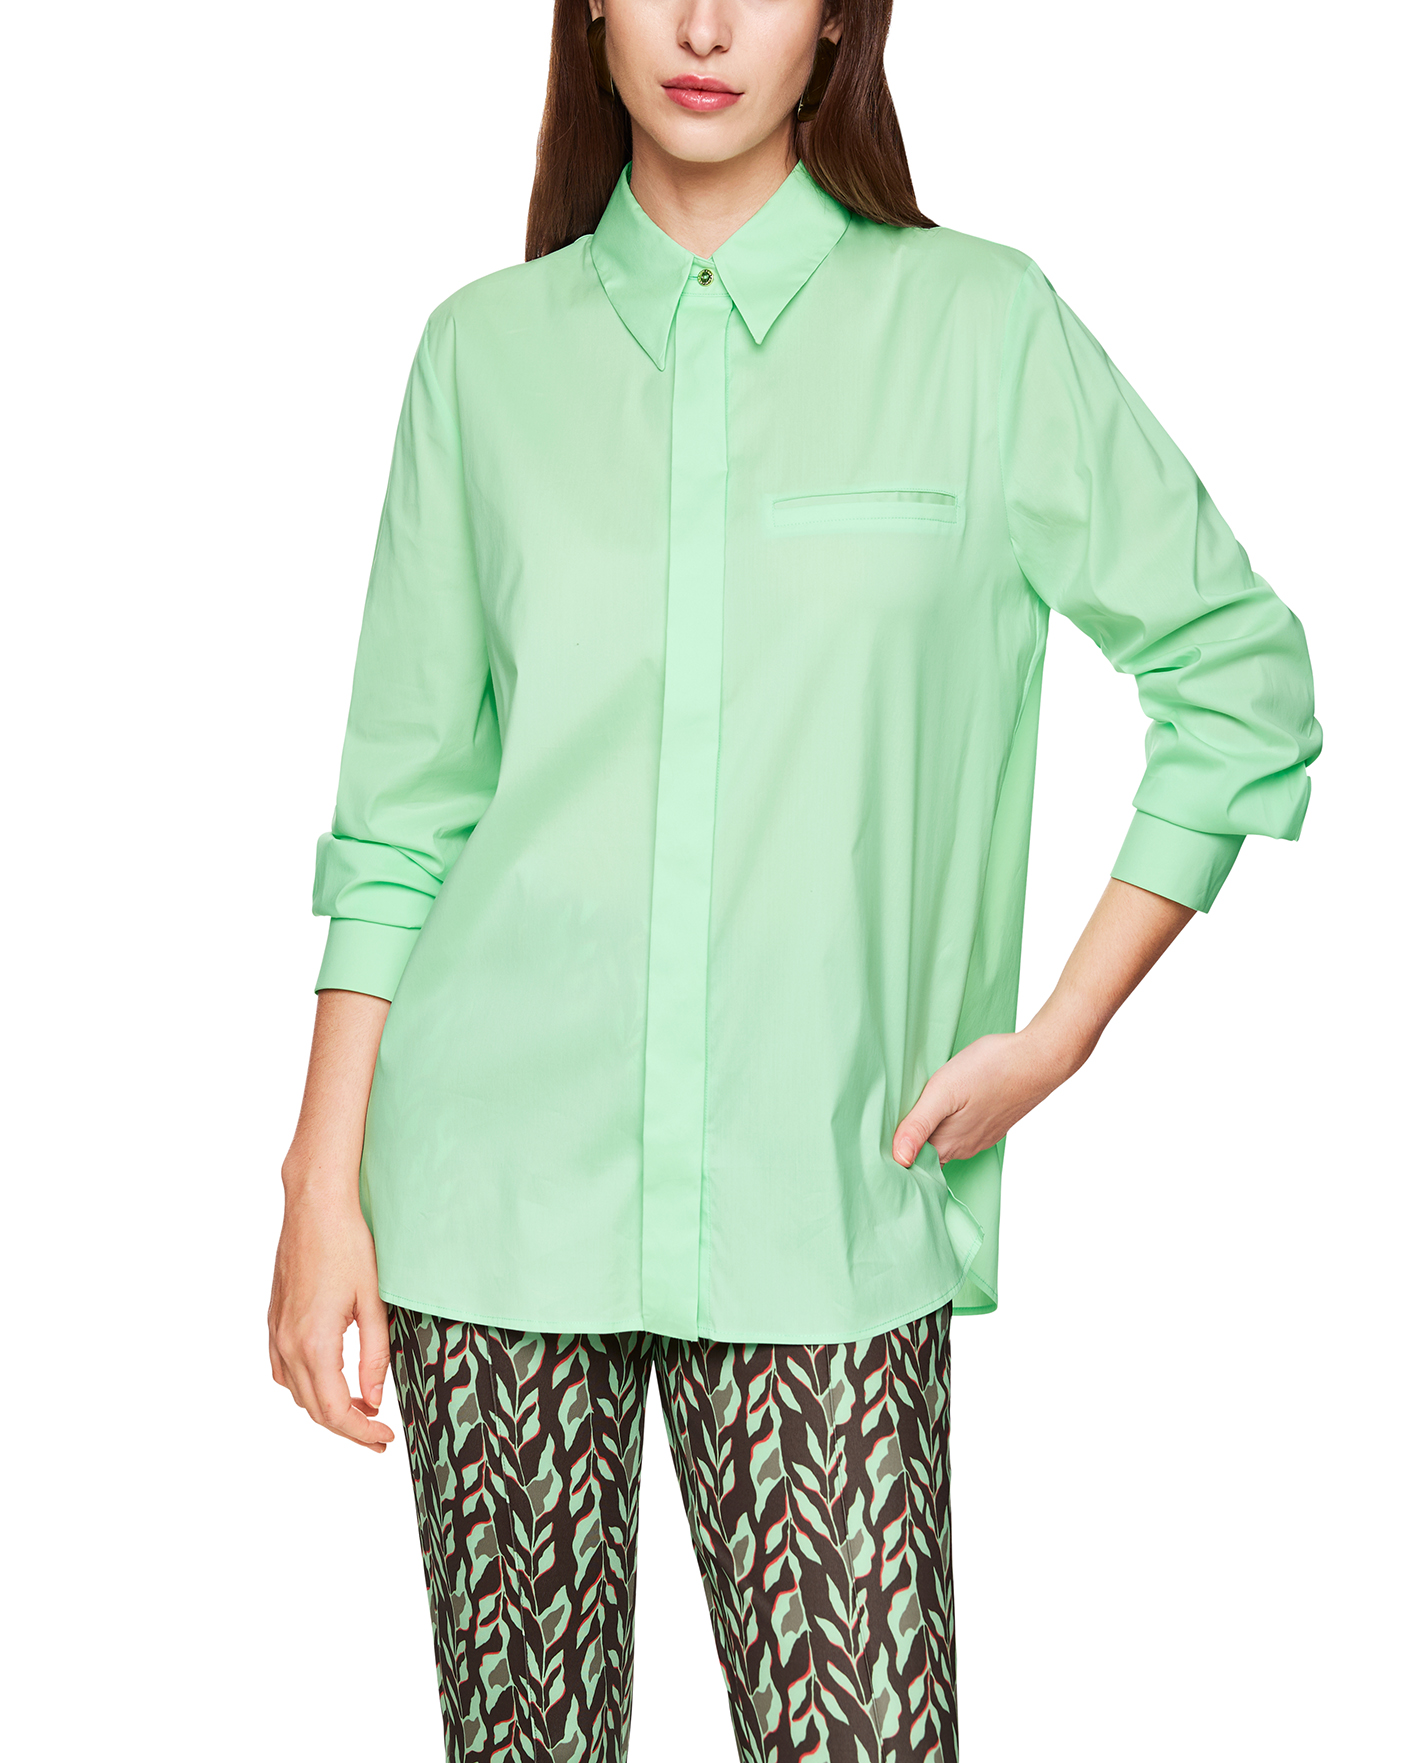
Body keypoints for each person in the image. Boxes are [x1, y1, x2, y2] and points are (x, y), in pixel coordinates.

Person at [267, 2, 1322, 1758]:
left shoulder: (979, 330)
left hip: (826, 1198)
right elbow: (404, 808)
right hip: (490, 1200)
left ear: (837, 17)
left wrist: (1058, 1035)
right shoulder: (482, 357)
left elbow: (1237, 676)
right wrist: (320, 1185)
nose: (704, 26)